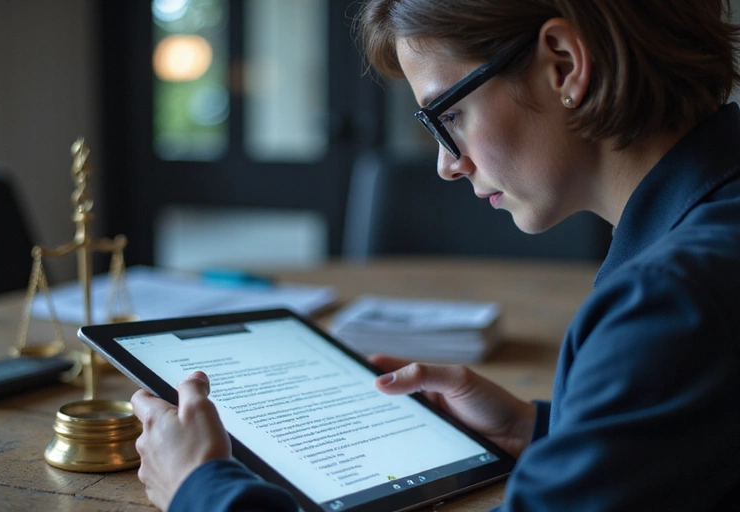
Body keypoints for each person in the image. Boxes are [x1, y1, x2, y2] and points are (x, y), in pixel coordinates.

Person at [130, 0, 740, 510]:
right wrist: (544, 432)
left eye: (448, 114)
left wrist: (201, 489)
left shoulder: (669, 302)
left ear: (564, 64)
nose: (447, 164)